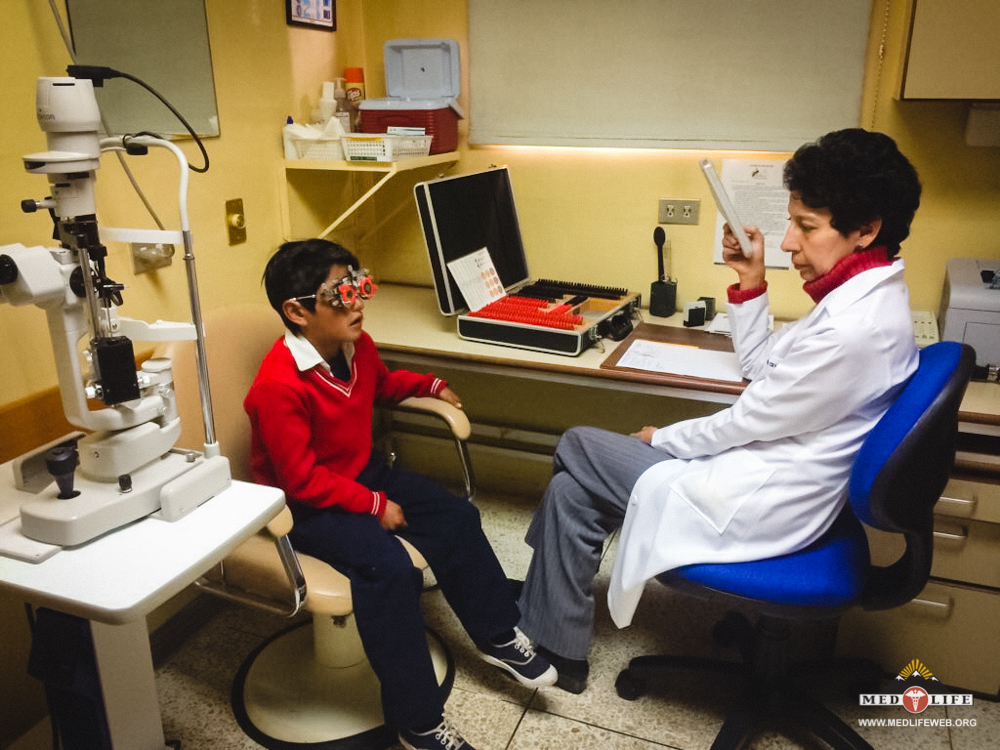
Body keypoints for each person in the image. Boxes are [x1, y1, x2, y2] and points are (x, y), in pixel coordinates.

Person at [515, 128, 923, 694]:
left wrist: (661, 437)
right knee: (571, 491)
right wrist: (751, 279)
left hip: (760, 502)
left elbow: (749, 418)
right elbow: (762, 368)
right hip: (769, 475)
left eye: (806, 227)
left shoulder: (856, 328)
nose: (788, 244)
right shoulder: (863, 296)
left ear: (866, 229)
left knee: (577, 445)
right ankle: (557, 638)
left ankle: (545, 612)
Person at [244, 239, 556, 750]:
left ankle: (498, 633)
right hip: (303, 506)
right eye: (339, 294)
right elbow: (300, 480)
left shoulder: (353, 345)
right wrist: (372, 506)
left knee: (457, 518)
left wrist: (430, 385)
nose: (357, 303)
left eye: (358, 285)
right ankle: (417, 722)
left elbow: (382, 385)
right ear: (297, 311)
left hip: (362, 477)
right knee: (388, 569)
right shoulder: (279, 387)